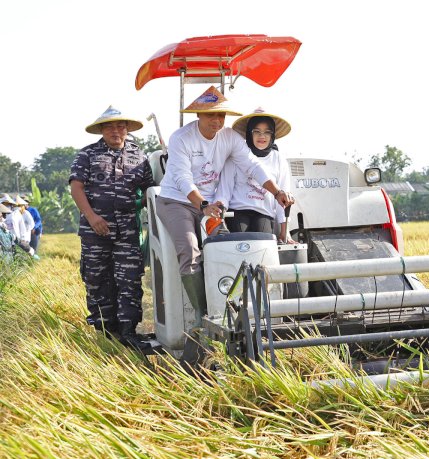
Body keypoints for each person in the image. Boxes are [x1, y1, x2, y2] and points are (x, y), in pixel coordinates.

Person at [155, 86, 292, 355]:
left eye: (221, 116)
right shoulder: (181, 139)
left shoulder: (229, 137)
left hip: (210, 206)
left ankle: (236, 312)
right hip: (178, 201)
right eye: (211, 116)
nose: (217, 122)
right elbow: (183, 179)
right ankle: (201, 315)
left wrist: (276, 192)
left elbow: (252, 165)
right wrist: (203, 205)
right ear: (198, 115)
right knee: (190, 248)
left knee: (225, 247)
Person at [69, 106, 155, 351]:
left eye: (120, 126)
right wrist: (92, 216)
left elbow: (150, 190)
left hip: (127, 232)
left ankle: (128, 332)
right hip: (95, 230)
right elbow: (77, 188)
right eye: (109, 126)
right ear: (101, 130)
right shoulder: (87, 155)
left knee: (129, 282)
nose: (115, 131)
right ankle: (106, 333)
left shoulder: (139, 156)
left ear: (127, 129)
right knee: (97, 280)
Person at [217, 107, 295, 242]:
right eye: (257, 131)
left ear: (273, 136)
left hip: (264, 213)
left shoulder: (279, 159)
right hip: (237, 211)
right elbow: (224, 191)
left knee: (262, 242)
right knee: (242, 242)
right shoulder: (236, 155)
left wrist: (285, 232)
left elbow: (283, 201)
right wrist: (218, 219)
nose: (262, 136)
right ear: (249, 134)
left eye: (267, 132)